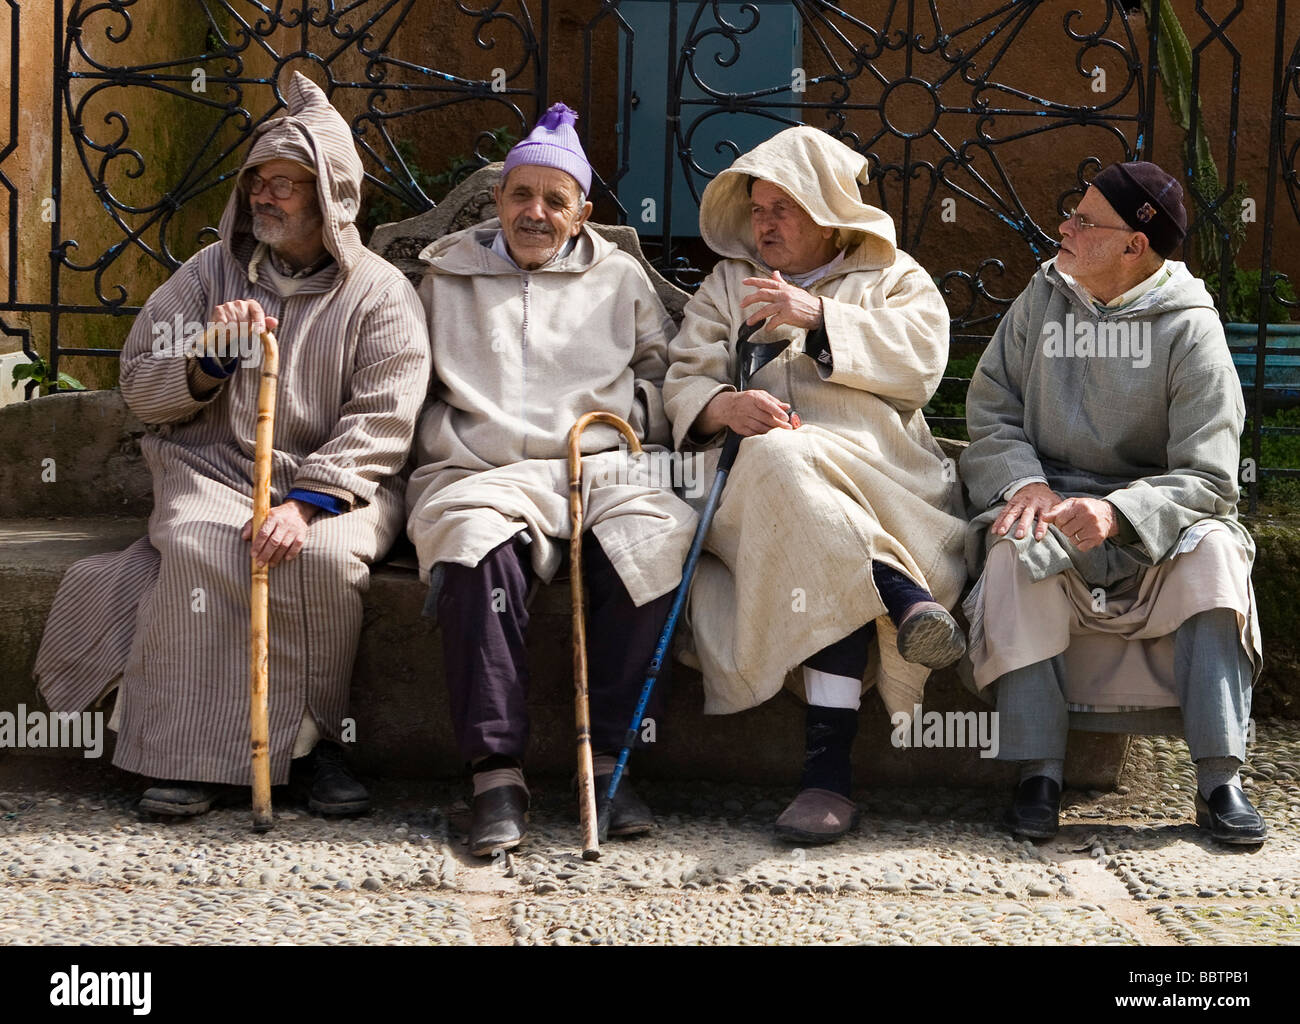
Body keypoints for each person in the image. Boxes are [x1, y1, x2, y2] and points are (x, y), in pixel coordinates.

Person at [34, 73, 430, 818]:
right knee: (198, 543)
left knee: (317, 557)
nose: (266, 197)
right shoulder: (208, 274)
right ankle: (184, 753)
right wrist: (208, 358)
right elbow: (141, 387)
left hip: (337, 484)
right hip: (212, 469)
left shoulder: (381, 293)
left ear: (333, 199)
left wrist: (306, 505)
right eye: (259, 181)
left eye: (287, 184)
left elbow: (384, 416)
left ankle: (313, 752)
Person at [662, 126, 968, 843]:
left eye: (783, 209)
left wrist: (820, 315)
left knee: (805, 502)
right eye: (758, 209)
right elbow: (684, 373)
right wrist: (719, 406)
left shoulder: (895, 276)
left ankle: (829, 778)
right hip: (758, 484)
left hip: (879, 474)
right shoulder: (727, 283)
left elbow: (921, 363)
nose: (763, 223)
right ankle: (899, 595)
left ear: (830, 211)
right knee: (777, 458)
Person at [406, 103, 697, 856]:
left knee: (653, 544)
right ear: (498, 200)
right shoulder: (446, 276)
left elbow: (663, 378)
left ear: (582, 212)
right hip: (482, 468)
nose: (535, 212)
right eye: (520, 196)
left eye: (554, 200)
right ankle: (495, 775)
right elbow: (410, 388)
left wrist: (621, 419)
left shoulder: (619, 278)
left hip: (600, 465)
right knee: (473, 552)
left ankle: (607, 762)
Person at [960, 160, 1266, 844]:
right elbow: (990, 408)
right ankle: (1039, 772)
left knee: (1217, 556)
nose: (1063, 226)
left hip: (1155, 524)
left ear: (1136, 245)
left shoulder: (1193, 332)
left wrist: (1119, 513)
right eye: (1073, 211)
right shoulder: (1041, 298)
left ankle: (1220, 778)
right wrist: (1026, 484)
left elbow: (1211, 478)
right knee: (1018, 542)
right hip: (1054, 499)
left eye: (1085, 220)